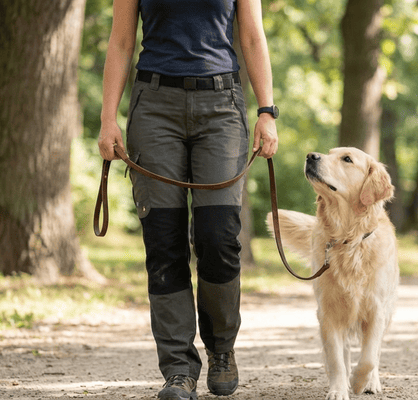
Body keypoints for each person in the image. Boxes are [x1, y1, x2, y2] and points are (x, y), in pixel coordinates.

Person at [97, 0, 278, 399]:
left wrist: (267, 111)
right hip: (154, 105)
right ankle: (178, 369)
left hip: (221, 106)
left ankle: (221, 349)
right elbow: (122, 40)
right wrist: (108, 118)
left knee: (218, 236)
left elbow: (250, 35)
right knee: (163, 240)